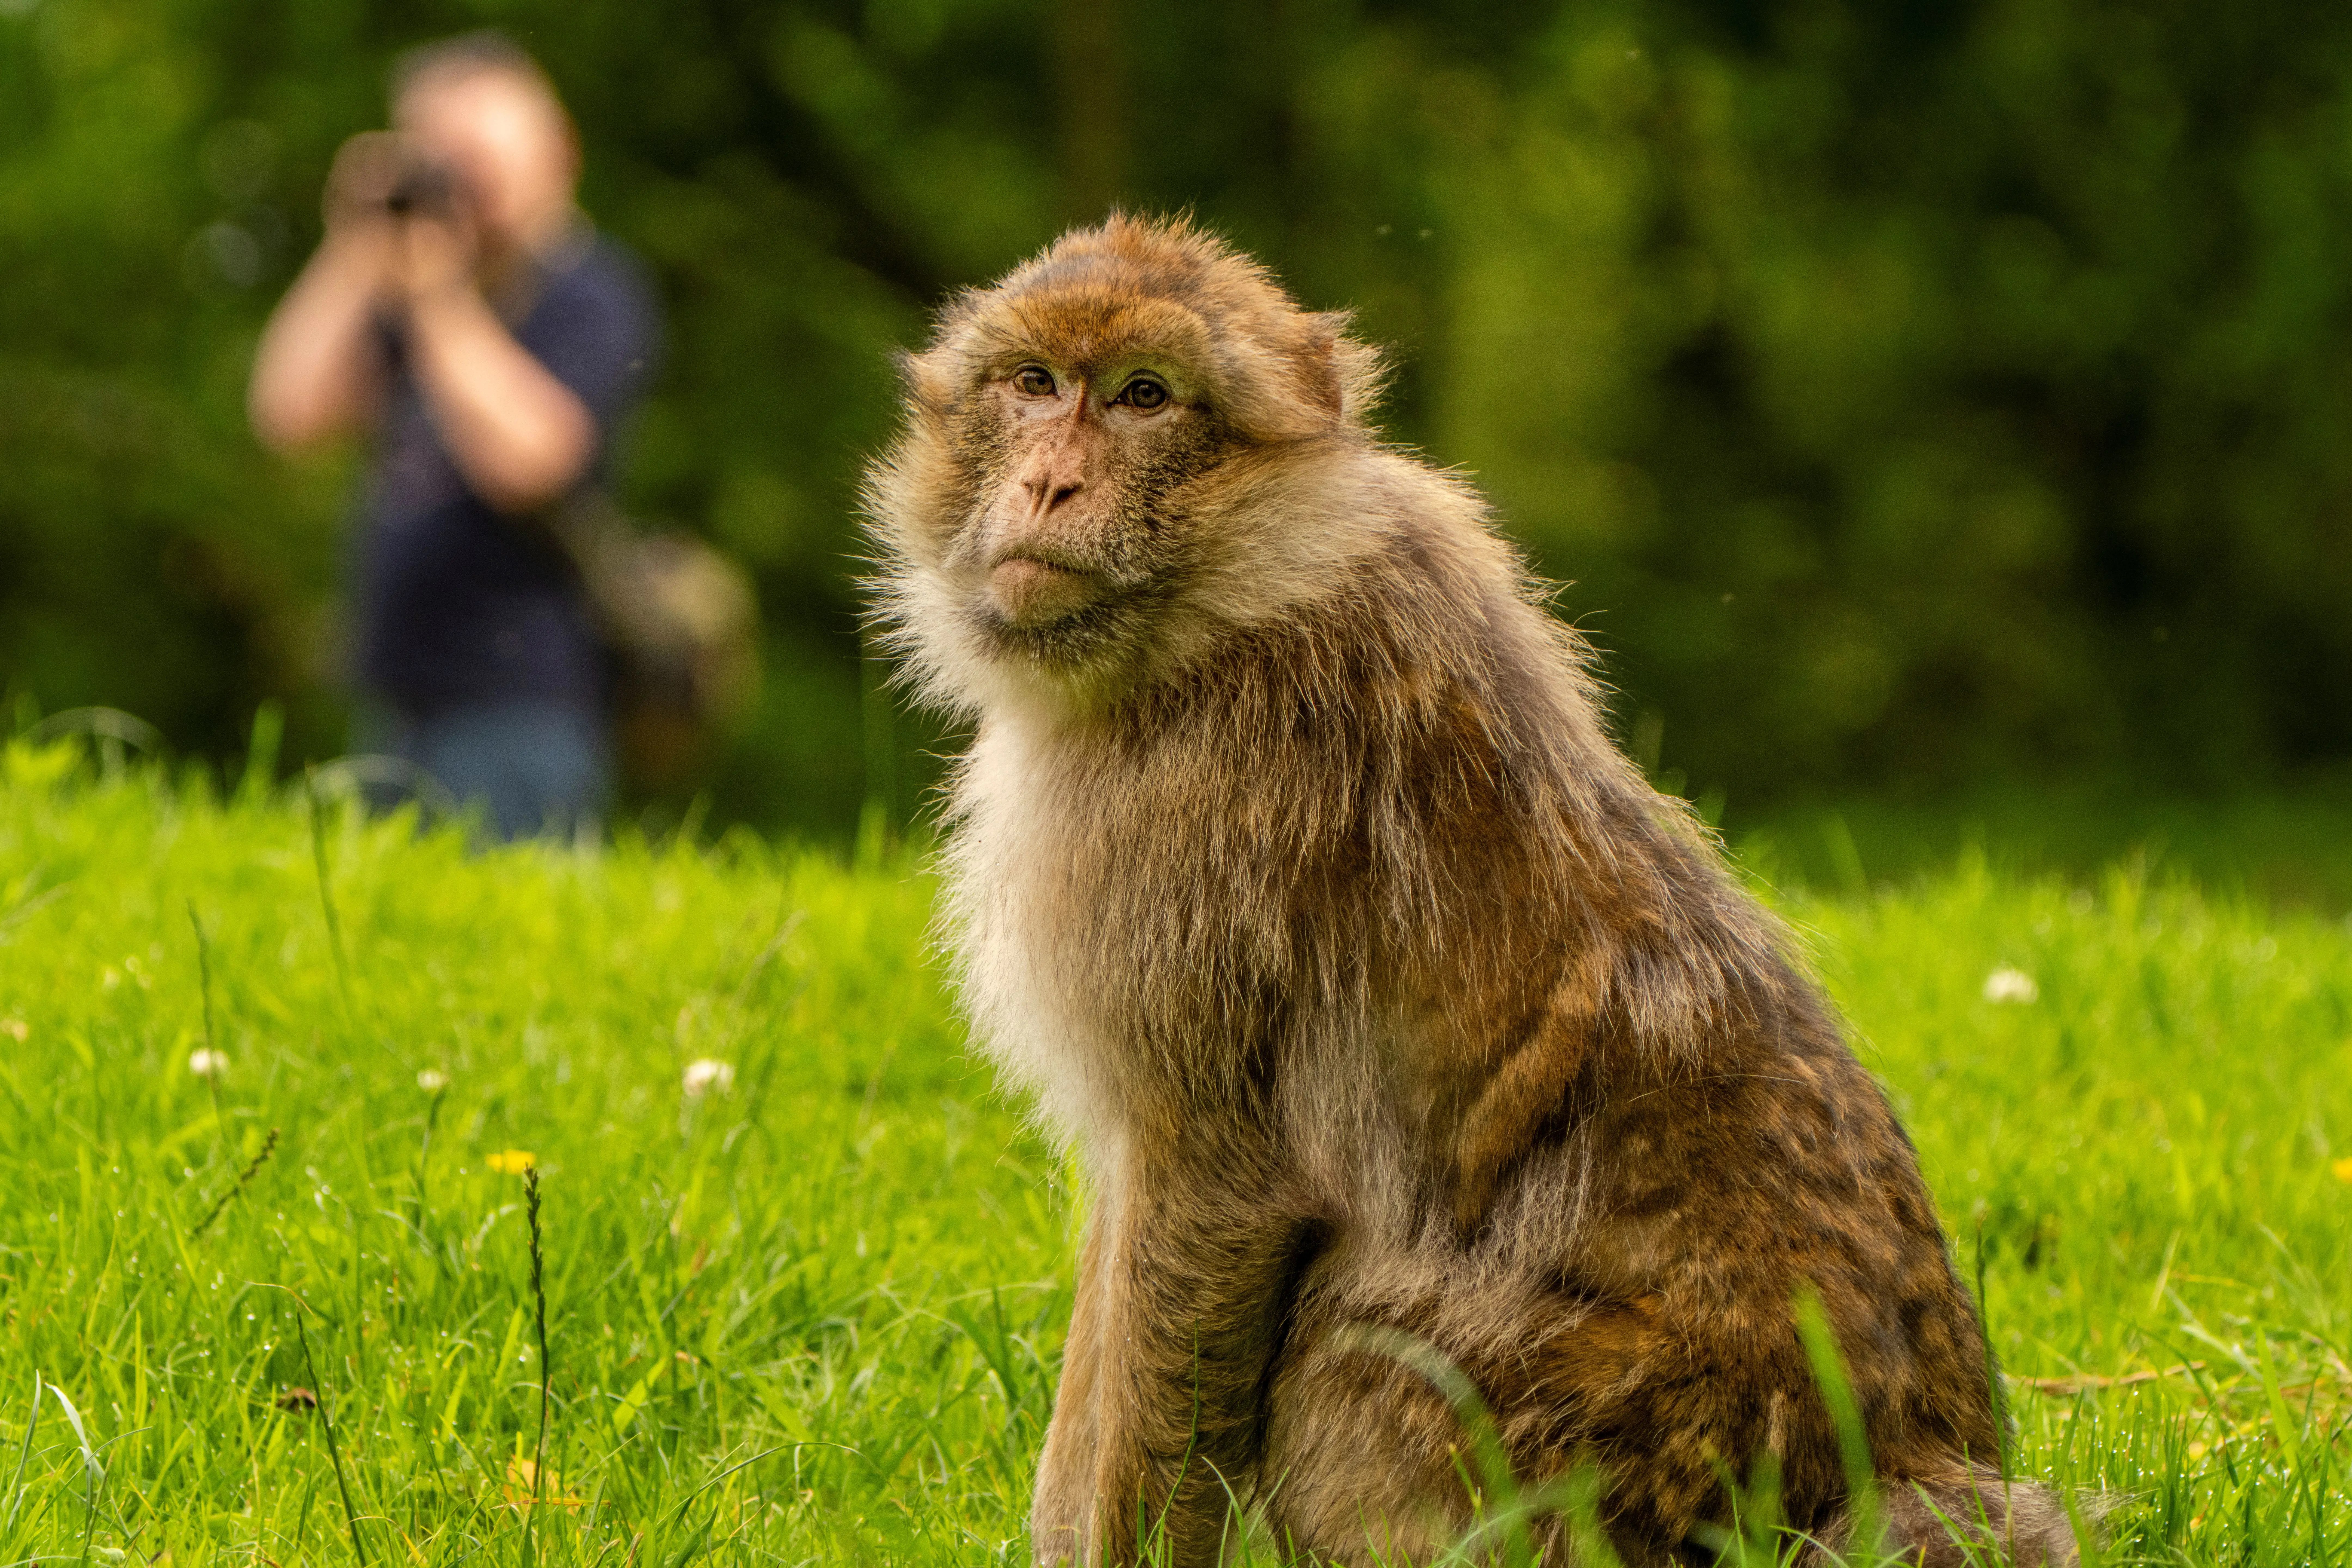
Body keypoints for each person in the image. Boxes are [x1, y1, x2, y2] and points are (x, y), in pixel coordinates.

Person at [249, 33, 659, 840]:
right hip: (397, 698)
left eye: (487, 154)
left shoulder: (593, 289)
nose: (471, 184)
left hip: (522, 705)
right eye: (445, 159)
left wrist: (434, 297)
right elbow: (288, 415)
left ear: (558, 152)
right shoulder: (415, 289)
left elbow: (534, 461)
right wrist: (355, 242)